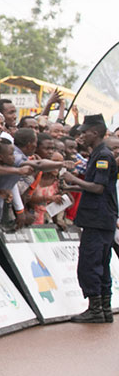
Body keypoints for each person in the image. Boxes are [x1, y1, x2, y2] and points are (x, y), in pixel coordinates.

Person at [63, 114, 117, 323]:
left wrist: (73, 178)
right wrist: (71, 187)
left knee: (90, 263)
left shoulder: (103, 156)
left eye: (85, 132)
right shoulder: (99, 153)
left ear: (95, 132)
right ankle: (103, 308)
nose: (82, 135)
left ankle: (95, 307)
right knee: (101, 263)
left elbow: (98, 187)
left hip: (98, 218)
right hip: (102, 218)